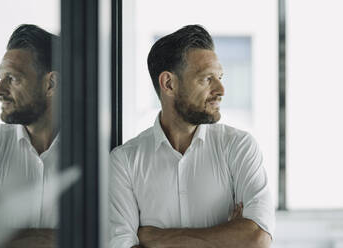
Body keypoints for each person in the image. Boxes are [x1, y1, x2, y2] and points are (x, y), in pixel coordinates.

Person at [109, 24, 275, 248]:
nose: (221, 90)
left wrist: (155, 238)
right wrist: (227, 236)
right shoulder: (124, 162)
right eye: (207, 79)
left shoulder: (238, 147)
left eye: (220, 77)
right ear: (169, 83)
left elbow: (257, 239)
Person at [0, 24, 60, 245]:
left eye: (12, 78)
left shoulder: (97, 152)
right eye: (1, 77)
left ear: (51, 83)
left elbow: (110, 237)